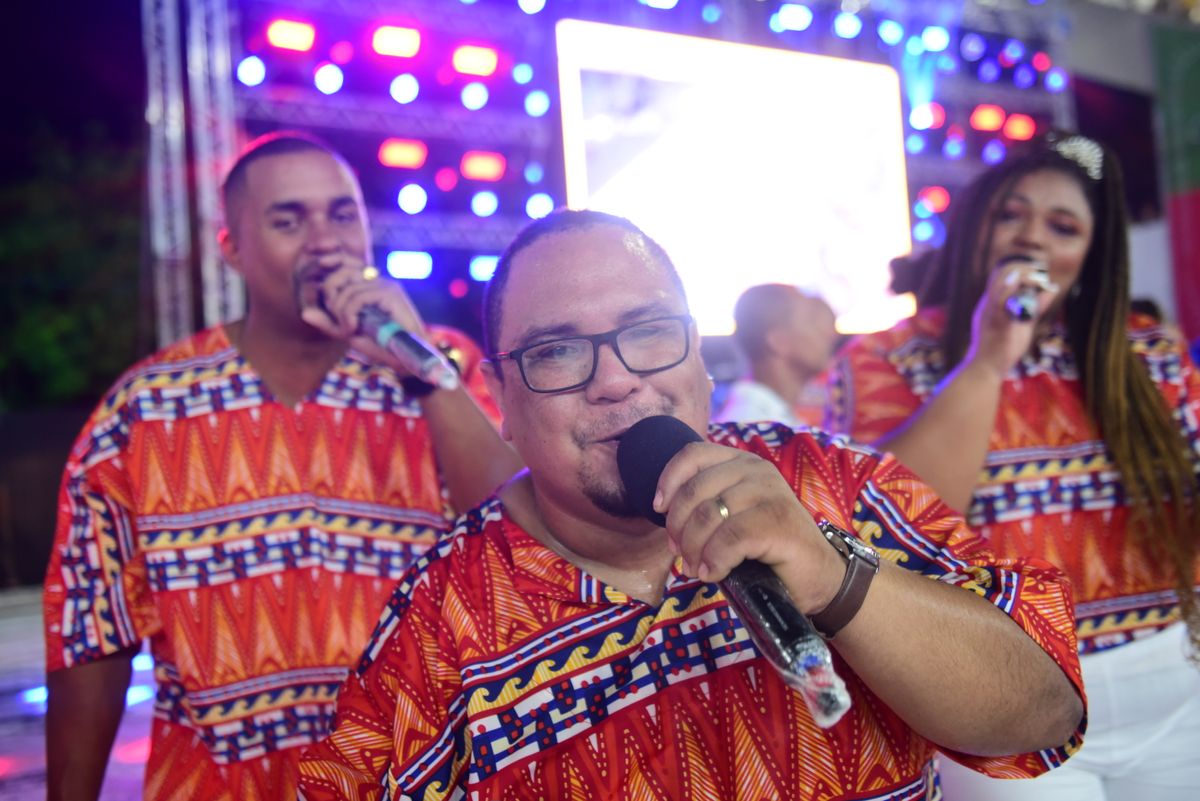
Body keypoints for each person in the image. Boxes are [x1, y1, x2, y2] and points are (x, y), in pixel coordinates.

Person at [297, 209, 1085, 801]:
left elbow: (1045, 711)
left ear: (701, 360)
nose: (616, 379)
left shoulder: (830, 479)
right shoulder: (440, 620)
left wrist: (831, 576)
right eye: (557, 350)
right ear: (499, 395)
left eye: (649, 331)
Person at [41, 132, 522, 801]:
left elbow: (518, 534)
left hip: (414, 777)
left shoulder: (443, 367)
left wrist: (419, 370)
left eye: (342, 215)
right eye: (289, 221)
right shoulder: (145, 408)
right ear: (232, 249)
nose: (325, 242)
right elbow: (93, 635)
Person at [827, 132, 1200, 800]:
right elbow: (887, 530)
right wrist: (989, 358)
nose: (1032, 237)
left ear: (1091, 255)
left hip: (1171, 682)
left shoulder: (1151, 356)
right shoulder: (885, 356)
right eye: (1010, 215)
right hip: (1000, 690)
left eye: (1063, 227)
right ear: (973, 230)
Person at [713, 284, 837, 427]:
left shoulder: (766, 421)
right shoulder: (753, 426)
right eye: (812, 322)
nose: (827, 334)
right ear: (779, 341)